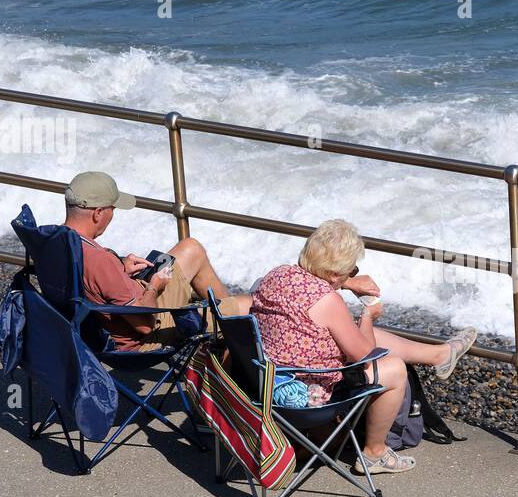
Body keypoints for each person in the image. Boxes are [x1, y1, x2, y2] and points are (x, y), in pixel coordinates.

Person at [251, 219, 476, 475]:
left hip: (269, 382)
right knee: (393, 368)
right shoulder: (327, 302)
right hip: (309, 395)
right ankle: (375, 454)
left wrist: (345, 283)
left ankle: (439, 355)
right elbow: (364, 357)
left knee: (355, 333)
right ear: (335, 273)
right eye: (351, 270)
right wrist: (368, 315)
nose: (352, 274)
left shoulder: (276, 275)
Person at [61, 171, 253, 352]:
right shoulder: (99, 261)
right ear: (98, 213)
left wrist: (120, 267)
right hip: (145, 336)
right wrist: (154, 286)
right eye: (112, 209)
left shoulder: (56, 241)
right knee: (249, 306)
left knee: (191, 248)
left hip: (112, 317)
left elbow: (94, 281)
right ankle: (232, 334)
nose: (113, 215)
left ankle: (226, 329)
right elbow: (145, 325)